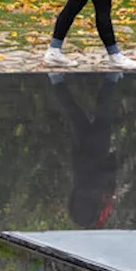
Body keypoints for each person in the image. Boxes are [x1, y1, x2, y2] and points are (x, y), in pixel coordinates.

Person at [49, 72, 124, 228]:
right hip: (80, 157)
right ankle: (56, 79)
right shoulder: (77, 213)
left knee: (103, 113)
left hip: (97, 151)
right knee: (74, 114)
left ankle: (112, 78)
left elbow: (105, 178)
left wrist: (112, 160)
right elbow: (74, 194)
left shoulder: (96, 200)